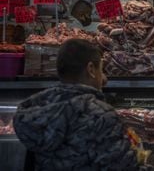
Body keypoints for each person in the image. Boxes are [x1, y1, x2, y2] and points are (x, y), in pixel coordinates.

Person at [13, 39, 138, 170]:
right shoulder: (100, 116)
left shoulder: (37, 108)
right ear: (91, 69)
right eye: (101, 70)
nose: (104, 79)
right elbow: (122, 166)